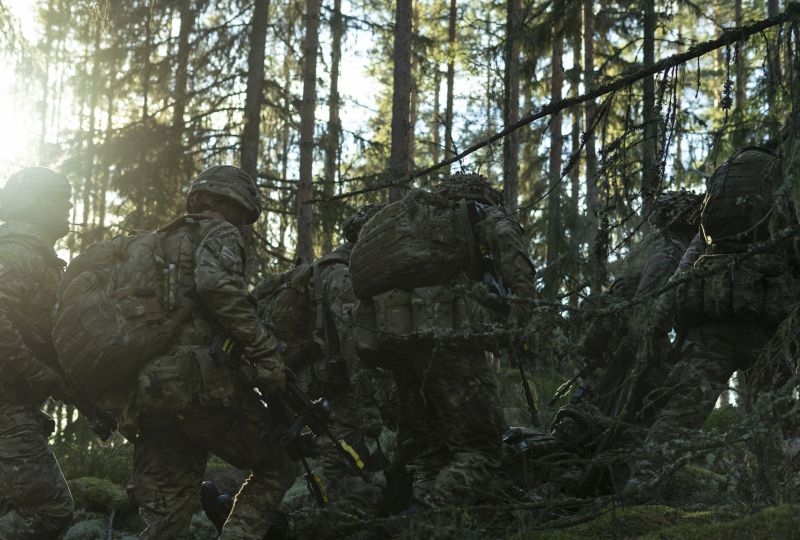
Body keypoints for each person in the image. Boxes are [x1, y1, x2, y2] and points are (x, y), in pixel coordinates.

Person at [123, 165, 294, 539]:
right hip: (201, 385)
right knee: (278, 464)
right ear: (231, 203)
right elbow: (216, 287)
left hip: (151, 390)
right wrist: (265, 351)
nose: (241, 223)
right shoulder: (219, 231)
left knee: (166, 519)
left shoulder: (155, 243)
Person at [350, 172, 537, 511]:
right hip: (451, 342)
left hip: (397, 346)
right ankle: (420, 523)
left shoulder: (416, 225)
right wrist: (522, 322)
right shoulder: (478, 212)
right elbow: (515, 260)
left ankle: (396, 513)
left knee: (432, 448)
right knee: (482, 447)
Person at [629, 146, 800, 487]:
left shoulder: (712, 229)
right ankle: (777, 494)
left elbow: (682, 272)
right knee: (775, 419)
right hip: (766, 333)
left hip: (710, 327)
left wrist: (659, 328)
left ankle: (642, 484)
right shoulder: (782, 211)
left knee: (678, 415)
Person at [550, 190, 702, 462]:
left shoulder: (656, 245)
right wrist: (647, 348)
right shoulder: (670, 251)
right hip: (627, 347)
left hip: (620, 342)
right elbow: (646, 304)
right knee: (612, 418)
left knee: (600, 415)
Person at [0, 167, 75, 538]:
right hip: (6, 404)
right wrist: (38, 373)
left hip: (16, 403)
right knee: (49, 510)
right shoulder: (17, 252)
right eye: (59, 197)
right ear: (34, 202)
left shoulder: (36, 256)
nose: (69, 205)